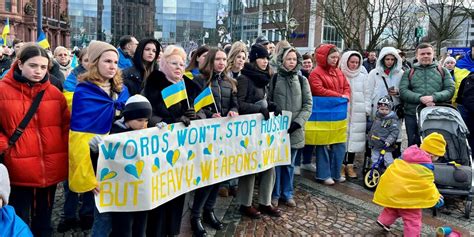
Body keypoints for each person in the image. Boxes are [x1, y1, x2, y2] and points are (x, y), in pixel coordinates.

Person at [0, 44, 70, 236]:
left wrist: (63, 154)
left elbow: (65, 127)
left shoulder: (55, 93)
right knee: (19, 218)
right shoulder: (2, 91)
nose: (38, 71)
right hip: (18, 169)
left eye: (43, 67)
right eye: (33, 65)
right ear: (20, 64)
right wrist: (5, 146)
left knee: (44, 220)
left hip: (50, 169)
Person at [68, 40, 129, 237]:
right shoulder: (84, 92)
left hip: (120, 158)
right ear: (94, 63)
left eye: (115, 62)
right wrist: (87, 176)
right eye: (107, 61)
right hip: (96, 160)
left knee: (120, 210)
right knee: (102, 213)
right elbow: (78, 138)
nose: (113, 66)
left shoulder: (122, 90)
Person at [143, 45, 203, 236]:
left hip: (184, 151)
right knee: (160, 194)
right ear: (163, 64)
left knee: (178, 192)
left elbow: (204, 110)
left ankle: (172, 230)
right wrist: (169, 123)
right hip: (160, 151)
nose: (179, 67)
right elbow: (147, 114)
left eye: (182, 63)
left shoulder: (190, 86)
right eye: (174, 63)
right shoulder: (153, 84)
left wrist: (196, 116)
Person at [190, 48, 239, 236]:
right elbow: (196, 107)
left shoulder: (230, 82)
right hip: (206, 138)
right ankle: (195, 216)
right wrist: (211, 114)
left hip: (224, 137)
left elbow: (234, 103)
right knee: (206, 179)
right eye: (218, 59)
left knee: (218, 177)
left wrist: (233, 110)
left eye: (224, 59)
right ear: (210, 60)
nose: (221, 62)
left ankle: (209, 210)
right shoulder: (200, 81)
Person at [236, 43, 282, 219]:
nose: (265, 61)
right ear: (255, 59)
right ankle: (245, 203)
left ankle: (265, 201)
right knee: (250, 166)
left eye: (267, 58)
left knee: (269, 164)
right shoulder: (244, 78)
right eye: (262, 58)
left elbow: (263, 100)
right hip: (249, 130)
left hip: (264, 129)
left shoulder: (263, 78)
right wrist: (258, 110)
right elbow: (240, 104)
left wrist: (271, 106)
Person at [373, 132, 445, 236]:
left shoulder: (409, 154)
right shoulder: (425, 166)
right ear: (433, 155)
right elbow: (427, 185)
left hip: (396, 190)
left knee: (394, 207)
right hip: (409, 196)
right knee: (413, 219)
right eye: (438, 156)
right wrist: (436, 196)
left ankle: (383, 220)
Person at [269, 46, 312, 207]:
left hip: (294, 129)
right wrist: (273, 107)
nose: (292, 62)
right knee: (277, 163)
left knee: (289, 164)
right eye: (289, 59)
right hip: (278, 128)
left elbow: (308, 104)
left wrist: (298, 122)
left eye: (294, 59)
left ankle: (287, 193)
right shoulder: (274, 78)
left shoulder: (302, 80)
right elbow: (269, 98)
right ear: (283, 60)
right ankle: (276, 193)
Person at [105, 95, 154, 237]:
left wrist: (159, 132)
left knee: (140, 227)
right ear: (127, 118)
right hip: (122, 194)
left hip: (141, 191)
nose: (144, 125)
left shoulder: (147, 132)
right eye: (139, 120)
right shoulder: (115, 134)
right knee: (123, 229)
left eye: (146, 121)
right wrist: (97, 149)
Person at [306, 44, 350, 185]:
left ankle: (335, 173)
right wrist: (340, 96)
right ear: (324, 57)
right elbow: (318, 90)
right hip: (324, 114)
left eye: (337, 57)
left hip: (337, 114)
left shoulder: (338, 72)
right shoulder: (316, 73)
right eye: (332, 57)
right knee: (322, 144)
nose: (335, 60)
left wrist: (345, 95)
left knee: (339, 143)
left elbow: (346, 86)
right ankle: (323, 174)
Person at [399, 43, 454, 146]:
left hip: (437, 114)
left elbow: (450, 89)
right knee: (414, 144)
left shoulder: (443, 71)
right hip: (412, 114)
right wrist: (420, 98)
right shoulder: (409, 72)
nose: (425, 56)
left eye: (428, 53)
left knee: (435, 146)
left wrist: (434, 97)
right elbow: (403, 91)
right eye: (422, 53)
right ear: (417, 56)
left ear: (433, 55)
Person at [218, 41, 248, 197]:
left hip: (241, 119)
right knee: (225, 152)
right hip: (226, 118)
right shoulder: (225, 74)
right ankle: (223, 183)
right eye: (238, 57)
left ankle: (234, 183)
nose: (241, 60)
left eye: (243, 57)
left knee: (238, 152)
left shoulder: (246, 76)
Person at [367, 47, 404, 158]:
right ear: (382, 59)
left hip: (394, 109)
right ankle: (373, 160)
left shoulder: (401, 73)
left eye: (392, 59)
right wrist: (368, 108)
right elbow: (368, 91)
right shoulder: (374, 73)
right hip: (378, 109)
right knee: (376, 135)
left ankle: (393, 160)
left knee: (394, 134)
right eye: (387, 59)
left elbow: (404, 90)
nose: (390, 62)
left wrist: (398, 93)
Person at [339, 50, 370, 178]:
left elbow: (368, 93)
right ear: (346, 61)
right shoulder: (340, 74)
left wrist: (366, 109)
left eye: (357, 62)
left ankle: (350, 165)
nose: (354, 65)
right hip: (343, 110)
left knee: (354, 140)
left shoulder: (363, 76)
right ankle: (340, 165)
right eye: (352, 62)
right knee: (342, 138)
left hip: (358, 111)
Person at [367, 97, 400, 167]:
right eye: (382, 109)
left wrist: (389, 141)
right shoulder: (377, 118)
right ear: (378, 108)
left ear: (390, 109)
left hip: (386, 145)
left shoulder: (392, 120)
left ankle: (390, 171)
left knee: (388, 160)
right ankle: (374, 171)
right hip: (376, 144)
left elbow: (394, 132)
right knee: (374, 159)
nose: (384, 111)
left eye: (386, 109)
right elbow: (373, 129)